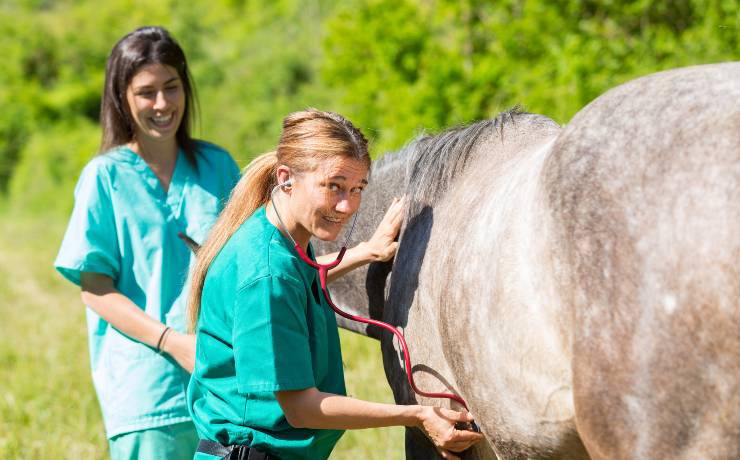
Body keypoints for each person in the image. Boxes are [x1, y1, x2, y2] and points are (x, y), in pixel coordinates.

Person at [187, 109, 484, 460]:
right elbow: (301, 408)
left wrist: (365, 252)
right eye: (334, 187)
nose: (347, 205)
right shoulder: (265, 274)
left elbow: (297, 276)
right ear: (286, 178)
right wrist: (417, 415)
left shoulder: (275, 236)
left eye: (357, 188)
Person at [54, 26, 242, 459]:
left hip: (221, 389)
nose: (162, 104)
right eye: (146, 92)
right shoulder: (104, 178)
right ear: (122, 98)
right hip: (145, 395)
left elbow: (254, 260)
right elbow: (95, 289)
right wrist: (173, 342)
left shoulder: (218, 165)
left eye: (171, 87)